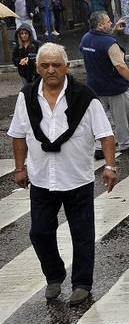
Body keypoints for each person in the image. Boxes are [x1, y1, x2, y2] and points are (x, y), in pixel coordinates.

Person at [8, 43, 118, 306]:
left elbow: (105, 134)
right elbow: (19, 135)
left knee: (82, 235)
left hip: (77, 178)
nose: (51, 70)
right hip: (42, 179)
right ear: (37, 68)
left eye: (56, 65)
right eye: (45, 65)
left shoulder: (85, 96)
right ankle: (54, 275)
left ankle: (82, 284)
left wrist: (110, 166)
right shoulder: (26, 97)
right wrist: (20, 168)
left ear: (67, 67)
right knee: (40, 233)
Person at [80, 11, 129, 159]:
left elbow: (97, 43)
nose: (110, 23)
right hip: (115, 88)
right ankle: (125, 143)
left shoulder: (86, 39)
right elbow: (120, 66)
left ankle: (99, 147)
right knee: (123, 118)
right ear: (100, 25)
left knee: (100, 119)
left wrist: (112, 32)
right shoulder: (110, 44)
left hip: (95, 87)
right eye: (107, 22)